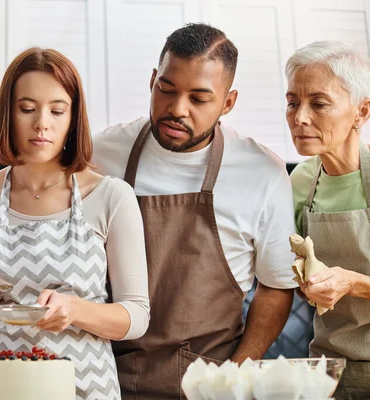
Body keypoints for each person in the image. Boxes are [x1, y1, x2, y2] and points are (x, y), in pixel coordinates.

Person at [92, 23, 297, 399]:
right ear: (153, 79)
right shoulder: (100, 152)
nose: (176, 109)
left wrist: (234, 377)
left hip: (207, 384)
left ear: (228, 102)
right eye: (166, 90)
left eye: (199, 99)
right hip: (103, 378)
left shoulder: (262, 172)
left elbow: (275, 287)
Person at [0, 47, 150, 400]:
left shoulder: (111, 196)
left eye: (57, 110)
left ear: (73, 118)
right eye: (26, 109)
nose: (42, 123)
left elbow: (136, 316)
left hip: (84, 389)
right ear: (7, 113)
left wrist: (74, 309)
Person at [287, 41, 370, 399]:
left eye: (318, 104)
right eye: (292, 102)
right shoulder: (300, 182)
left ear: (361, 112)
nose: (300, 118)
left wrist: (351, 283)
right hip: (329, 370)